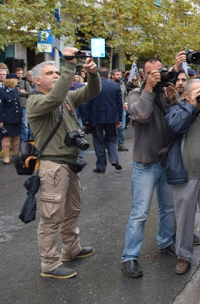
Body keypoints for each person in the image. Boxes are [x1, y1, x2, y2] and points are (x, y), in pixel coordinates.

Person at [28, 49, 101, 279]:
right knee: (51, 217)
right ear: (36, 80)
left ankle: (71, 249)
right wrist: (70, 65)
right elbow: (55, 98)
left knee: (72, 210)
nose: (56, 75)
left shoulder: (66, 98)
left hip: (70, 164)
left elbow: (93, 91)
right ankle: (49, 263)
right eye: (50, 73)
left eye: (58, 72)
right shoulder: (35, 101)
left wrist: (93, 74)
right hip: (53, 166)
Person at [121, 57, 176, 278]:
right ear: (143, 75)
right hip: (145, 165)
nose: (157, 75)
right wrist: (149, 88)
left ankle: (166, 241)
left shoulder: (165, 94)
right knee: (140, 213)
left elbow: (176, 122)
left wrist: (172, 100)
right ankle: (130, 257)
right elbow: (142, 114)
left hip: (166, 161)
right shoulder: (136, 94)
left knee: (168, 208)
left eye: (159, 71)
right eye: (151, 72)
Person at [166, 79, 200, 276]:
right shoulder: (177, 110)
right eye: (197, 92)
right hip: (185, 175)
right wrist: (192, 107)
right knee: (184, 219)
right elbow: (175, 126)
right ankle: (183, 256)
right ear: (186, 95)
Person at [81, 67, 123, 173]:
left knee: (98, 141)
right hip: (111, 117)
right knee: (112, 139)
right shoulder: (115, 86)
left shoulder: (92, 87)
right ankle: (114, 159)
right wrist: (120, 119)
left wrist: (85, 120)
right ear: (108, 75)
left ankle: (101, 166)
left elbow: (86, 104)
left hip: (96, 118)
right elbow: (119, 104)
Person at [1, 73, 22, 164]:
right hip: (7, 118)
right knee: (7, 138)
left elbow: (18, 104)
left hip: (16, 117)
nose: (17, 81)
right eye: (16, 79)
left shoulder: (15, 91)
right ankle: (6, 157)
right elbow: (0, 107)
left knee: (16, 137)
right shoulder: (2, 91)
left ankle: (16, 155)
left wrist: (20, 116)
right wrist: (1, 120)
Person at [111, 69, 129, 151]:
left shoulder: (122, 84)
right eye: (117, 74)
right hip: (112, 109)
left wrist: (126, 103)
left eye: (120, 74)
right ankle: (111, 144)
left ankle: (121, 145)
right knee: (111, 128)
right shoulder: (110, 84)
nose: (119, 76)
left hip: (121, 109)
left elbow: (125, 95)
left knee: (121, 128)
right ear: (112, 76)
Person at [15, 67, 33, 142]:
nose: (19, 75)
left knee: (25, 124)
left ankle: (24, 141)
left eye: (21, 73)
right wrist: (20, 92)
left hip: (24, 105)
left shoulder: (25, 83)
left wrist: (22, 92)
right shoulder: (12, 82)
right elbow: (13, 93)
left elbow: (30, 92)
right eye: (18, 73)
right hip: (15, 106)